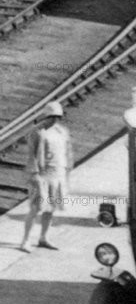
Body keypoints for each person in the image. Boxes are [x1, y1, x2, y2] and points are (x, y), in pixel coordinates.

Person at [20, 101, 73, 253]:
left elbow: (67, 152)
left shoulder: (62, 132)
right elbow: (31, 155)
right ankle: (25, 240)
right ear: (46, 116)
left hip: (58, 174)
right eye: (52, 116)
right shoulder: (37, 132)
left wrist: (67, 170)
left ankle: (43, 237)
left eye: (58, 117)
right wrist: (35, 174)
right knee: (35, 208)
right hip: (42, 175)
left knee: (51, 209)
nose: (55, 119)